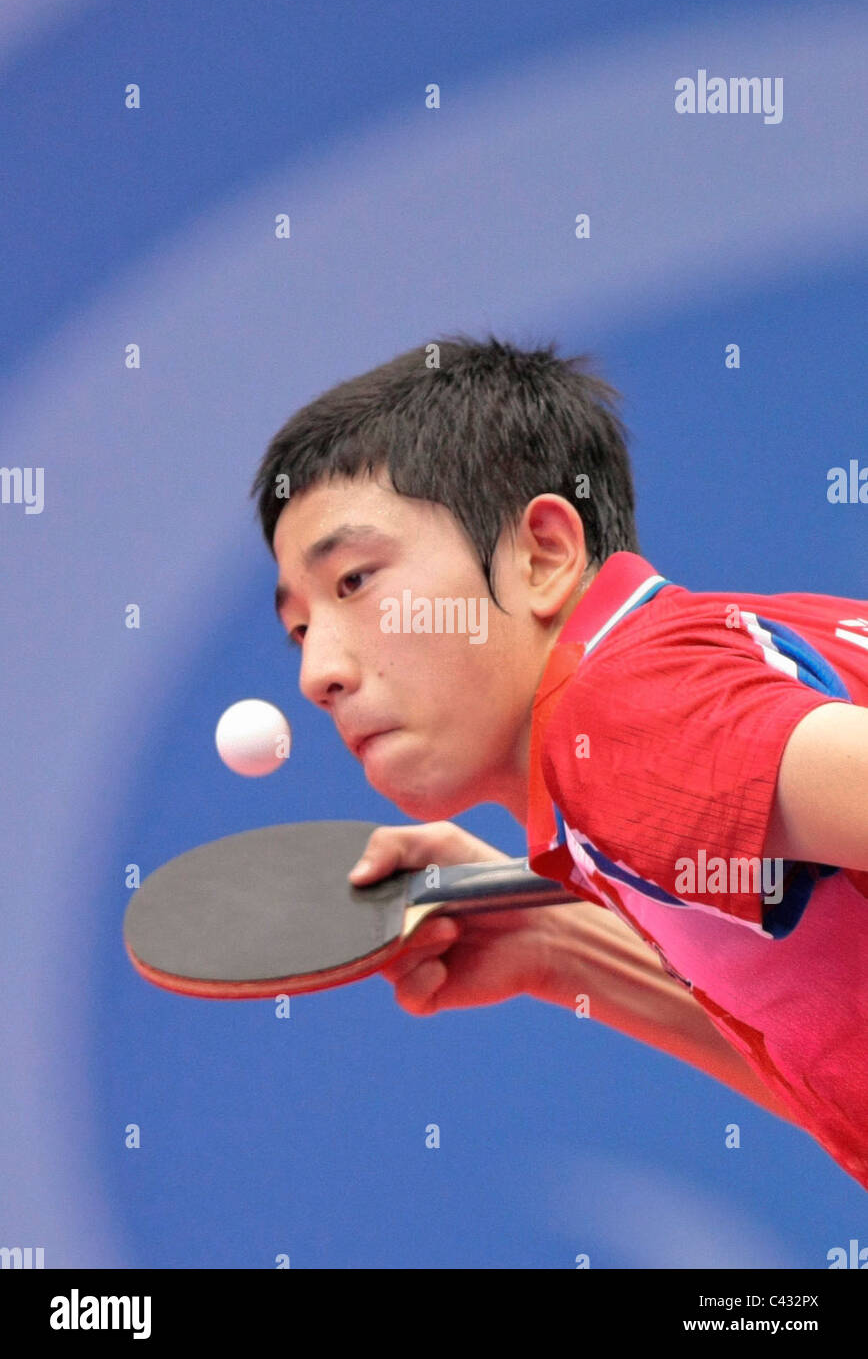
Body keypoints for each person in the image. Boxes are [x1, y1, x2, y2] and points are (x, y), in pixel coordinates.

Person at [250, 334, 868, 1191]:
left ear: (542, 554)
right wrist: (565, 947)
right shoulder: (700, 676)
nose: (318, 673)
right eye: (300, 628)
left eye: (355, 581)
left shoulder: (619, 719)